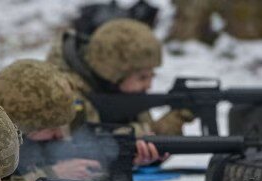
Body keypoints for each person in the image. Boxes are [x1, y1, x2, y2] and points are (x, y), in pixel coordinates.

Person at [0, 59, 165, 181]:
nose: (59, 134)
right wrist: (50, 176)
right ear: (18, 125)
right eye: (50, 128)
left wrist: (125, 157)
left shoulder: (42, 123)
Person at [47, 18, 195, 143]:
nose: (149, 85)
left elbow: (150, 149)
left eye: (152, 76)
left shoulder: (124, 94)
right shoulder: (65, 92)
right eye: (142, 77)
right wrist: (151, 131)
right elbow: (89, 144)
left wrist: (175, 120)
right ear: (113, 73)